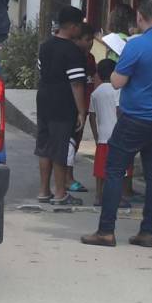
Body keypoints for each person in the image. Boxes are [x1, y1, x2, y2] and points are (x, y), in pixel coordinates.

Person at [81, 0, 152, 248]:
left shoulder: (136, 45)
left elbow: (117, 82)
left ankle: (106, 230)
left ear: (140, 18)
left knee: (115, 170)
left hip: (135, 117)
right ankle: (147, 232)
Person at [36, 6, 88, 207]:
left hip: (44, 100)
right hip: (62, 104)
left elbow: (42, 71)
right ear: (73, 27)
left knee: (44, 147)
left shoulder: (45, 46)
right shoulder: (73, 51)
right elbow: (76, 84)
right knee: (59, 147)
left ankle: (43, 190)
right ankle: (60, 193)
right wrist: (81, 111)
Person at [88, 58, 130, 206]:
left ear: (98, 74)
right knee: (122, 168)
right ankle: (121, 196)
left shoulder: (95, 93)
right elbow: (119, 111)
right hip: (118, 135)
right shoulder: (117, 89)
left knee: (100, 169)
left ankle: (98, 197)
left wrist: (96, 135)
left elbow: (92, 116)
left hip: (103, 136)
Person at [66, 22, 97, 195]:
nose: (90, 42)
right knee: (70, 142)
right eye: (87, 39)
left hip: (86, 104)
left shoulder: (90, 59)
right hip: (75, 106)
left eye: (92, 39)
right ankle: (67, 178)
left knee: (75, 142)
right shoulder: (74, 57)